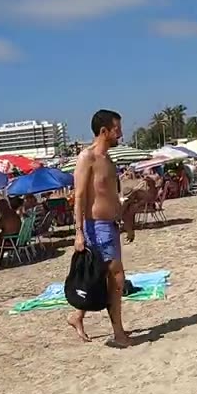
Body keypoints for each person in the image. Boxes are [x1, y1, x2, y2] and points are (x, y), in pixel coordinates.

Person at [69, 109, 131, 348]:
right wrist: (79, 232)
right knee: (116, 278)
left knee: (101, 278)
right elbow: (80, 195)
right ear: (104, 131)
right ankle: (118, 334)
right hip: (96, 226)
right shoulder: (88, 157)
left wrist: (126, 223)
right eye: (117, 129)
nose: (121, 134)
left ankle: (77, 316)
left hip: (111, 226)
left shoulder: (109, 160)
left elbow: (112, 196)